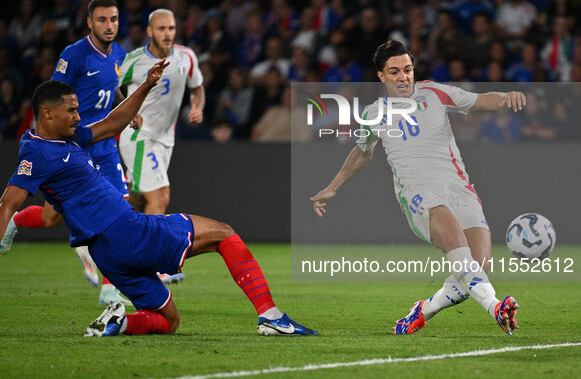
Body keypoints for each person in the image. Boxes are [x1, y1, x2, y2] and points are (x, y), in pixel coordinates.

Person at [0, 61, 317, 337]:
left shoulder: (62, 138)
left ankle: (120, 323)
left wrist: (147, 86)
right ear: (46, 112)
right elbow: (8, 202)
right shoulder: (37, 153)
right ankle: (271, 316)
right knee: (224, 233)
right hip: (127, 232)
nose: (77, 116)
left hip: (107, 254)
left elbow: (111, 124)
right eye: (71, 110)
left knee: (169, 320)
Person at [311, 40, 525, 335]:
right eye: (395, 71)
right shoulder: (375, 112)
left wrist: (506, 97)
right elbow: (362, 152)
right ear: (381, 76)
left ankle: (423, 310)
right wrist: (332, 187)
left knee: (476, 268)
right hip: (419, 194)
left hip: (459, 188)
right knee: (455, 242)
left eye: (408, 69)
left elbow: (478, 101)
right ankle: (496, 308)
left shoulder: (434, 92)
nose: (403, 77)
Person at [1, 0, 131, 304]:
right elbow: (51, 97)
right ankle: (16, 222)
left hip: (105, 144)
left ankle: (110, 289)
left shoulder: (120, 53)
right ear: (89, 22)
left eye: (113, 19)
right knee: (51, 218)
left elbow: (112, 87)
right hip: (73, 145)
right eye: (102, 20)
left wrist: (126, 107)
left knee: (119, 211)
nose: (109, 25)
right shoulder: (74, 55)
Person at [118, 9, 204, 216]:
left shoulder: (186, 57)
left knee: (136, 200)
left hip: (165, 141)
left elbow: (197, 88)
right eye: (162, 29)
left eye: (171, 28)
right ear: (150, 31)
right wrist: (128, 111)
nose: (167, 34)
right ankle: (151, 248)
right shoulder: (134, 60)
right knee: (160, 196)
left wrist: (196, 107)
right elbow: (111, 88)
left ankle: (105, 238)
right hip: (139, 136)